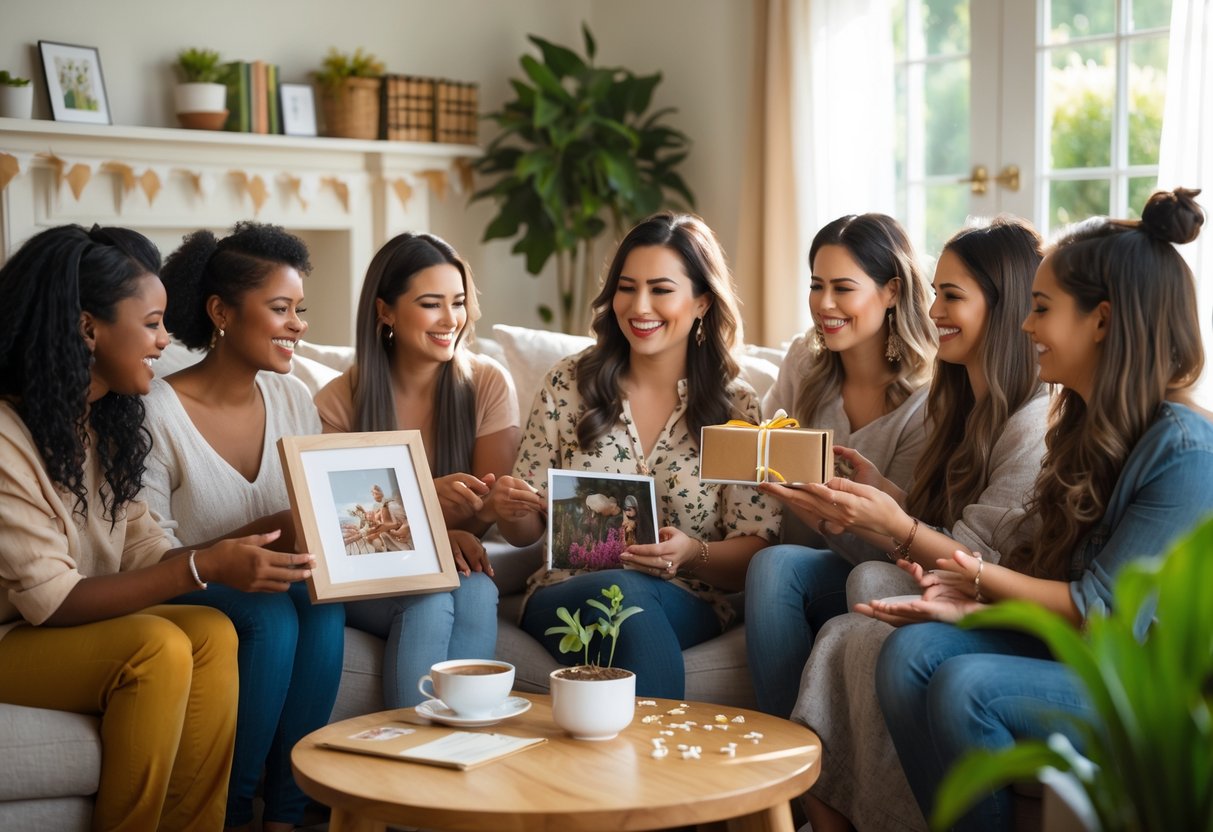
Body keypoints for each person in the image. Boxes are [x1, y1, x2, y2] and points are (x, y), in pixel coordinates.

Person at [874, 188, 1213, 832]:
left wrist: (975, 582)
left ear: (1103, 321)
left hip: (1150, 686)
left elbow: (1102, 613)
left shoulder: (1185, 450)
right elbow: (1056, 574)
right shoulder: (1084, 423)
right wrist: (974, 605)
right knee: (909, 654)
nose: (1025, 326)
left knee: (964, 686)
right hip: (1087, 658)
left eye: (1041, 308)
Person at [0, 225, 314, 832]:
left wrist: (226, 556)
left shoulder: (104, 424)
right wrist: (201, 567)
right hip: (13, 635)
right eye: (150, 324)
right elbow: (51, 599)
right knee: (159, 647)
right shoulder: (10, 438)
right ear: (89, 328)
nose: (165, 341)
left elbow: (147, 550)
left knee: (211, 631)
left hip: (73, 621)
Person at [777, 217, 1051, 831]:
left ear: (1006, 310)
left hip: (1003, 605)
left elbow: (981, 561)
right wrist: (888, 498)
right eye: (935, 292)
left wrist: (890, 522)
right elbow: (946, 529)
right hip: (954, 582)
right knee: (853, 609)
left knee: (869, 594)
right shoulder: (962, 402)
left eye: (951, 296)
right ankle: (804, 802)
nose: (934, 309)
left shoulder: (1034, 421)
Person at [493, 212, 781, 699]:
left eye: (661, 289)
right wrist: (512, 509)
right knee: (623, 593)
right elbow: (525, 531)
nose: (639, 306)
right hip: (565, 595)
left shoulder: (738, 408)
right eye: (627, 288)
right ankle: (661, 767)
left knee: (634, 598)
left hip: (686, 599)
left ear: (702, 302)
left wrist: (693, 552)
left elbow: (754, 549)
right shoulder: (569, 384)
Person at [141, 222, 344, 832]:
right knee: (270, 615)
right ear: (221, 312)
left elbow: (322, 511)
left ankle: (288, 817)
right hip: (187, 582)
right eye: (280, 309)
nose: (298, 325)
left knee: (320, 601)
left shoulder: (293, 398)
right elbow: (149, 555)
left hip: (274, 582)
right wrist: (271, 527)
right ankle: (228, 815)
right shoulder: (155, 411)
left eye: (299, 310)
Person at [746, 212, 937, 716]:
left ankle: (798, 767)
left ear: (891, 291)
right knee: (771, 562)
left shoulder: (930, 396)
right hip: (796, 560)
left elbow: (906, 535)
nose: (823, 305)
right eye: (816, 285)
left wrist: (826, 515)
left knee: (775, 566)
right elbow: (755, 452)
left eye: (842, 288)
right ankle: (786, 756)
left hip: (878, 569)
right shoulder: (805, 362)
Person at [315, 232, 513, 708]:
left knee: (477, 592)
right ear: (385, 311)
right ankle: (410, 762)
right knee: (429, 601)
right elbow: (339, 529)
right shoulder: (340, 401)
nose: (452, 320)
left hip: (455, 563)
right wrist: (428, 512)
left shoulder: (484, 383)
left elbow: (490, 503)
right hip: (368, 573)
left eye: (459, 302)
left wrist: (457, 527)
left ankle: (466, 746)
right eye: (431, 304)